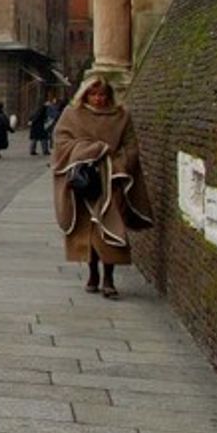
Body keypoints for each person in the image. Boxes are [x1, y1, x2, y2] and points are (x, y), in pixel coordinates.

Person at [52, 78, 152, 299]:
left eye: (103, 95)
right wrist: (92, 150)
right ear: (85, 95)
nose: (99, 99)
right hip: (85, 182)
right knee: (87, 231)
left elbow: (131, 146)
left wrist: (119, 164)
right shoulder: (72, 115)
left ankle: (109, 278)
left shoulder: (121, 116)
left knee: (111, 228)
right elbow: (62, 143)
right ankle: (92, 273)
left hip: (112, 181)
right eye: (93, 95)